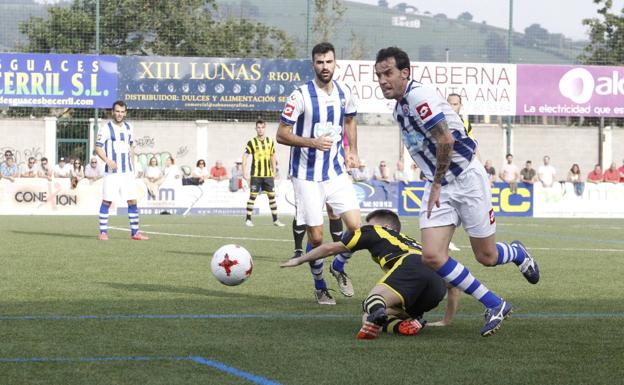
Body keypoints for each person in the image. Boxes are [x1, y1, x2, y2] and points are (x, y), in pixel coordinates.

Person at [374, 46, 539, 336]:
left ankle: (516, 252)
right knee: (433, 255)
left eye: (388, 73)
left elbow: (446, 140)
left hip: (465, 179)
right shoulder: (400, 107)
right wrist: (434, 181)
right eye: (379, 75)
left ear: (405, 72)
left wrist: (436, 183)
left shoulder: (417, 97)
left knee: (486, 256)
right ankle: (495, 303)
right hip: (439, 183)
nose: (383, 80)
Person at [276, 42, 361, 305]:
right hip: (305, 175)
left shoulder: (345, 93)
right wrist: (313, 142)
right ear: (313, 64)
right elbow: (281, 134)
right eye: (320, 62)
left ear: (336, 63)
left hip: (335, 171)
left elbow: (349, 120)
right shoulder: (299, 96)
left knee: (357, 230)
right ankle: (321, 285)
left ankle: (338, 265)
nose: (325, 67)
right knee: (316, 237)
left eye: (329, 62)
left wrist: (353, 151)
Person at [282, 209, 446, 339]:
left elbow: (330, 248)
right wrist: (448, 320)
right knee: (374, 315)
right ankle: (406, 324)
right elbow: (452, 283)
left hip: (412, 265)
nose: (363, 227)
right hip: (437, 286)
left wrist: (300, 260)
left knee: (371, 304)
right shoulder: (412, 242)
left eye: (368, 223)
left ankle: (379, 314)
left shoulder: (373, 230)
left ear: (385, 227)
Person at [95, 100, 149, 241]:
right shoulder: (105, 128)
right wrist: (107, 160)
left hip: (127, 172)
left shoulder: (129, 127)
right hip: (111, 173)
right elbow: (98, 147)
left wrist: (134, 166)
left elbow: (131, 147)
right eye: (117, 111)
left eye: (122, 111)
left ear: (125, 113)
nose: (119, 114)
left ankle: (135, 233)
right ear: (112, 112)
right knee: (107, 201)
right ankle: (103, 232)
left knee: (132, 201)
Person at [242, 119, 284, 227]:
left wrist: (274, 171)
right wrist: (244, 172)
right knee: (252, 196)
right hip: (256, 175)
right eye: (258, 127)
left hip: (268, 175)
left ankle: (275, 220)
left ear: (265, 128)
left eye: (262, 127)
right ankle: (248, 219)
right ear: (256, 129)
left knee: (272, 197)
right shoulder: (252, 142)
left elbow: (273, 156)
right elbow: (245, 156)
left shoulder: (270, 141)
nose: (260, 129)